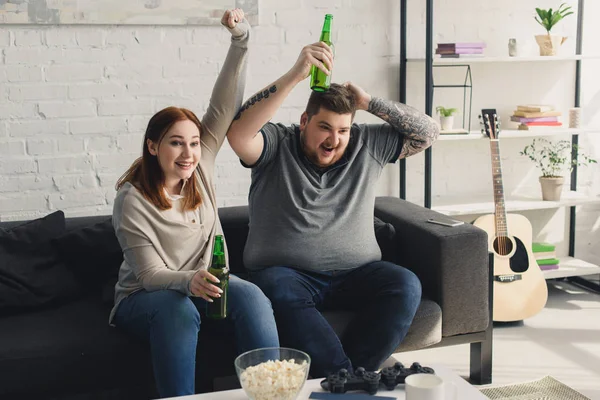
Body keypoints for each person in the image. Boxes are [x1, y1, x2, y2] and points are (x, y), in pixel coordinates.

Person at [226, 41, 440, 378]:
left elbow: (429, 132)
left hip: (358, 274)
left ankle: (346, 379)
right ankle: (348, 379)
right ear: (304, 121)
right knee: (277, 288)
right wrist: (296, 75)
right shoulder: (276, 144)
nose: (334, 139)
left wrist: (370, 102)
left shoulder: (367, 143)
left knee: (406, 284)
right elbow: (238, 133)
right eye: (324, 127)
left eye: (342, 130)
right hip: (287, 275)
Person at [110, 9, 279, 398]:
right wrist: (190, 280)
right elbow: (151, 275)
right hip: (146, 299)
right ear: (153, 147)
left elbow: (225, 104)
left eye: (191, 142)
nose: (188, 153)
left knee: (251, 295)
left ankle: (269, 393)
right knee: (177, 308)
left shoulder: (200, 165)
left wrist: (240, 40)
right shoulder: (132, 199)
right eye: (174, 142)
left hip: (204, 287)